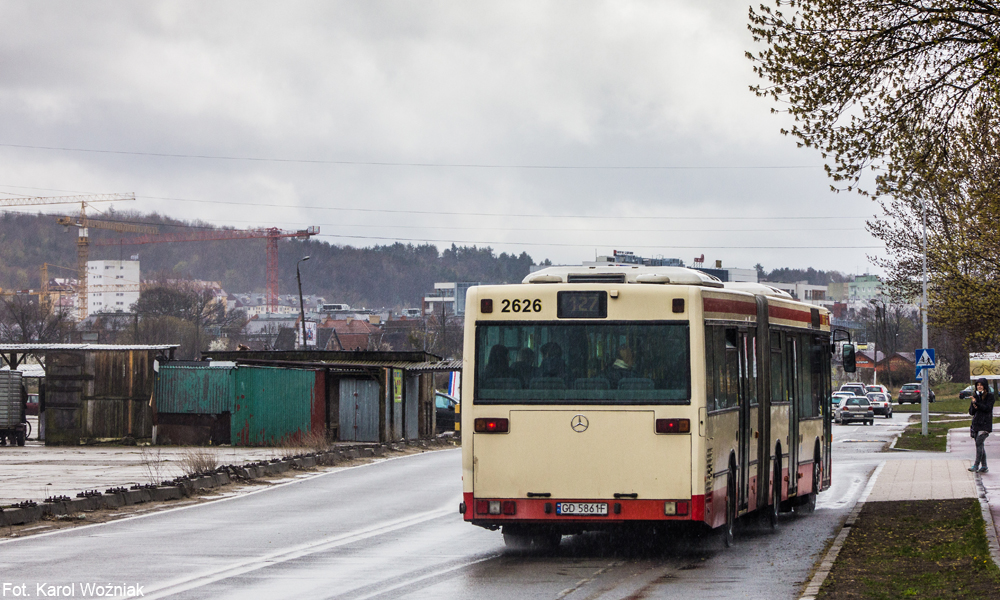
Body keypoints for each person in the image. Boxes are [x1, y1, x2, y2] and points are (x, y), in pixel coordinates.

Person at [969, 377, 995, 473]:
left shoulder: (990, 396)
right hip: (976, 424)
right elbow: (971, 412)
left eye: (981, 385)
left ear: (985, 386)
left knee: (979, 442)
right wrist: (973, 405)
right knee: (980, 445)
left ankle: (976, 465)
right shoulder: (975, 396)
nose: (979, 387)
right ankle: (984, 466)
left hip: (985, 424)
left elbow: (987, 408)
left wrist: (977, 403)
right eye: (978, 385)